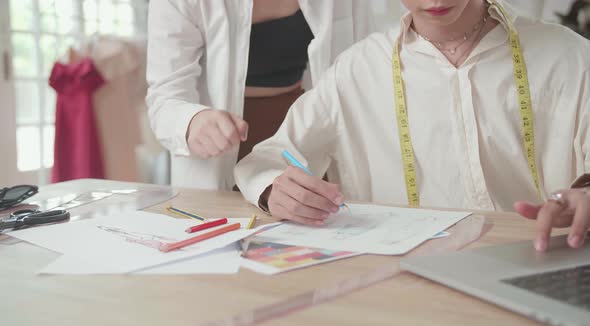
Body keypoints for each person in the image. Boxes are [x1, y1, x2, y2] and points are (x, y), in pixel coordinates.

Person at [235, 0, 590, 252]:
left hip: (540, 257)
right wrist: (274, 188)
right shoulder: (358, 69)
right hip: (409, 281)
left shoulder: (570, 56)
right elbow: (266, 161)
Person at [146, 0, 380, 190]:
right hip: (221, 151)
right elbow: (165, 98)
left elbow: (359, 75)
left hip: (303, 145)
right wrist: (191, 121)